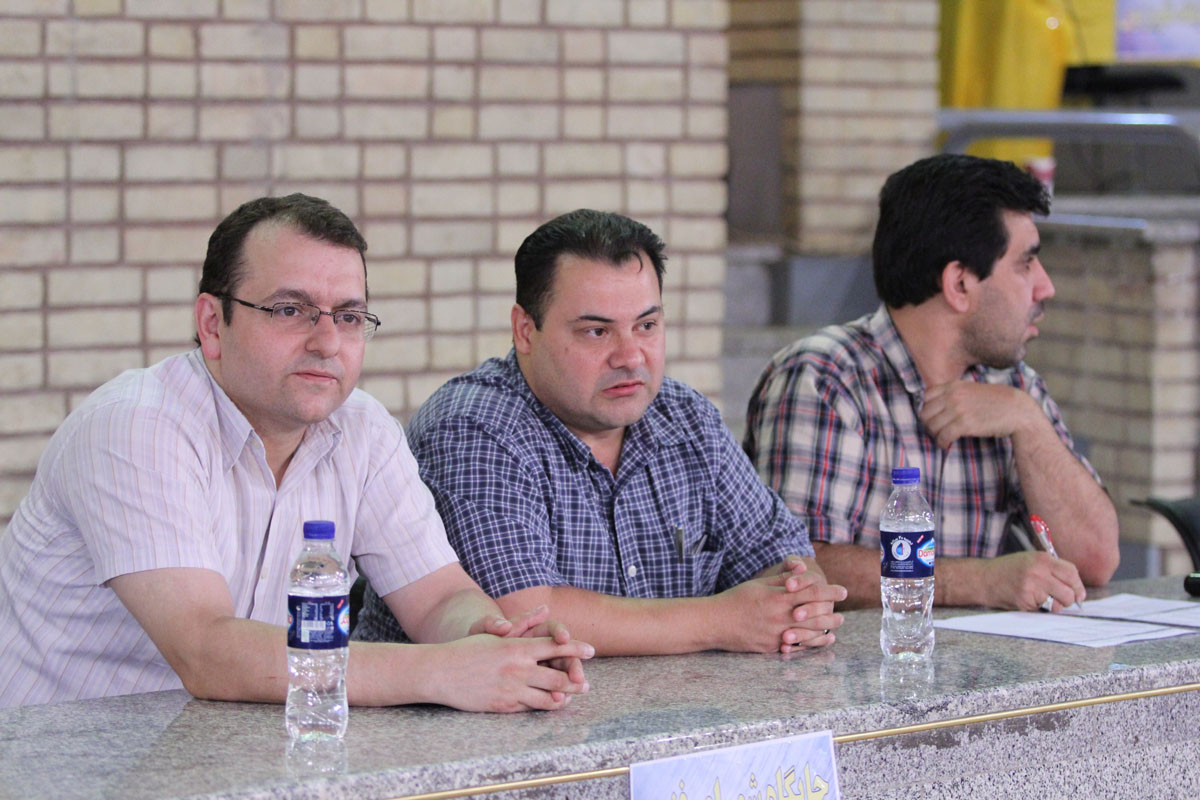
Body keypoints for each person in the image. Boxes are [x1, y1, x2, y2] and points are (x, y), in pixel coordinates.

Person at [0, 193, 592, 710]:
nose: (327, 341)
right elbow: (206, 651)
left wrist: (491, 639)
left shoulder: (363, 429)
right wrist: (439, 672)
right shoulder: (136, 426)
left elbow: (437, 596)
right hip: (63, 762)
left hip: (229, 757)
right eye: (290, 310)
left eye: (349, 316)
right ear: (212, 324)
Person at [355, 209, 846, 656]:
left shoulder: (687, 418)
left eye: (647, 326)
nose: (630, 356)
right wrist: (723, 621)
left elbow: (785, 559)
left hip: (678, 711)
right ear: (525, 330)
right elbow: (524, 613)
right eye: (597, 332)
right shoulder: (473, 427)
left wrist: (797, 604)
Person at [744, 154, 1120, 612]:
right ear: (959, 284)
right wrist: (976, 582)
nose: (1046, 287)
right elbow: (797, 567)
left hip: (983, 658)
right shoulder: (825, 378)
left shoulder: (1013, 385)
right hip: (860, 658)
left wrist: (1029, 422)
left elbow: (1096, 562)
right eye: (1026, 264)